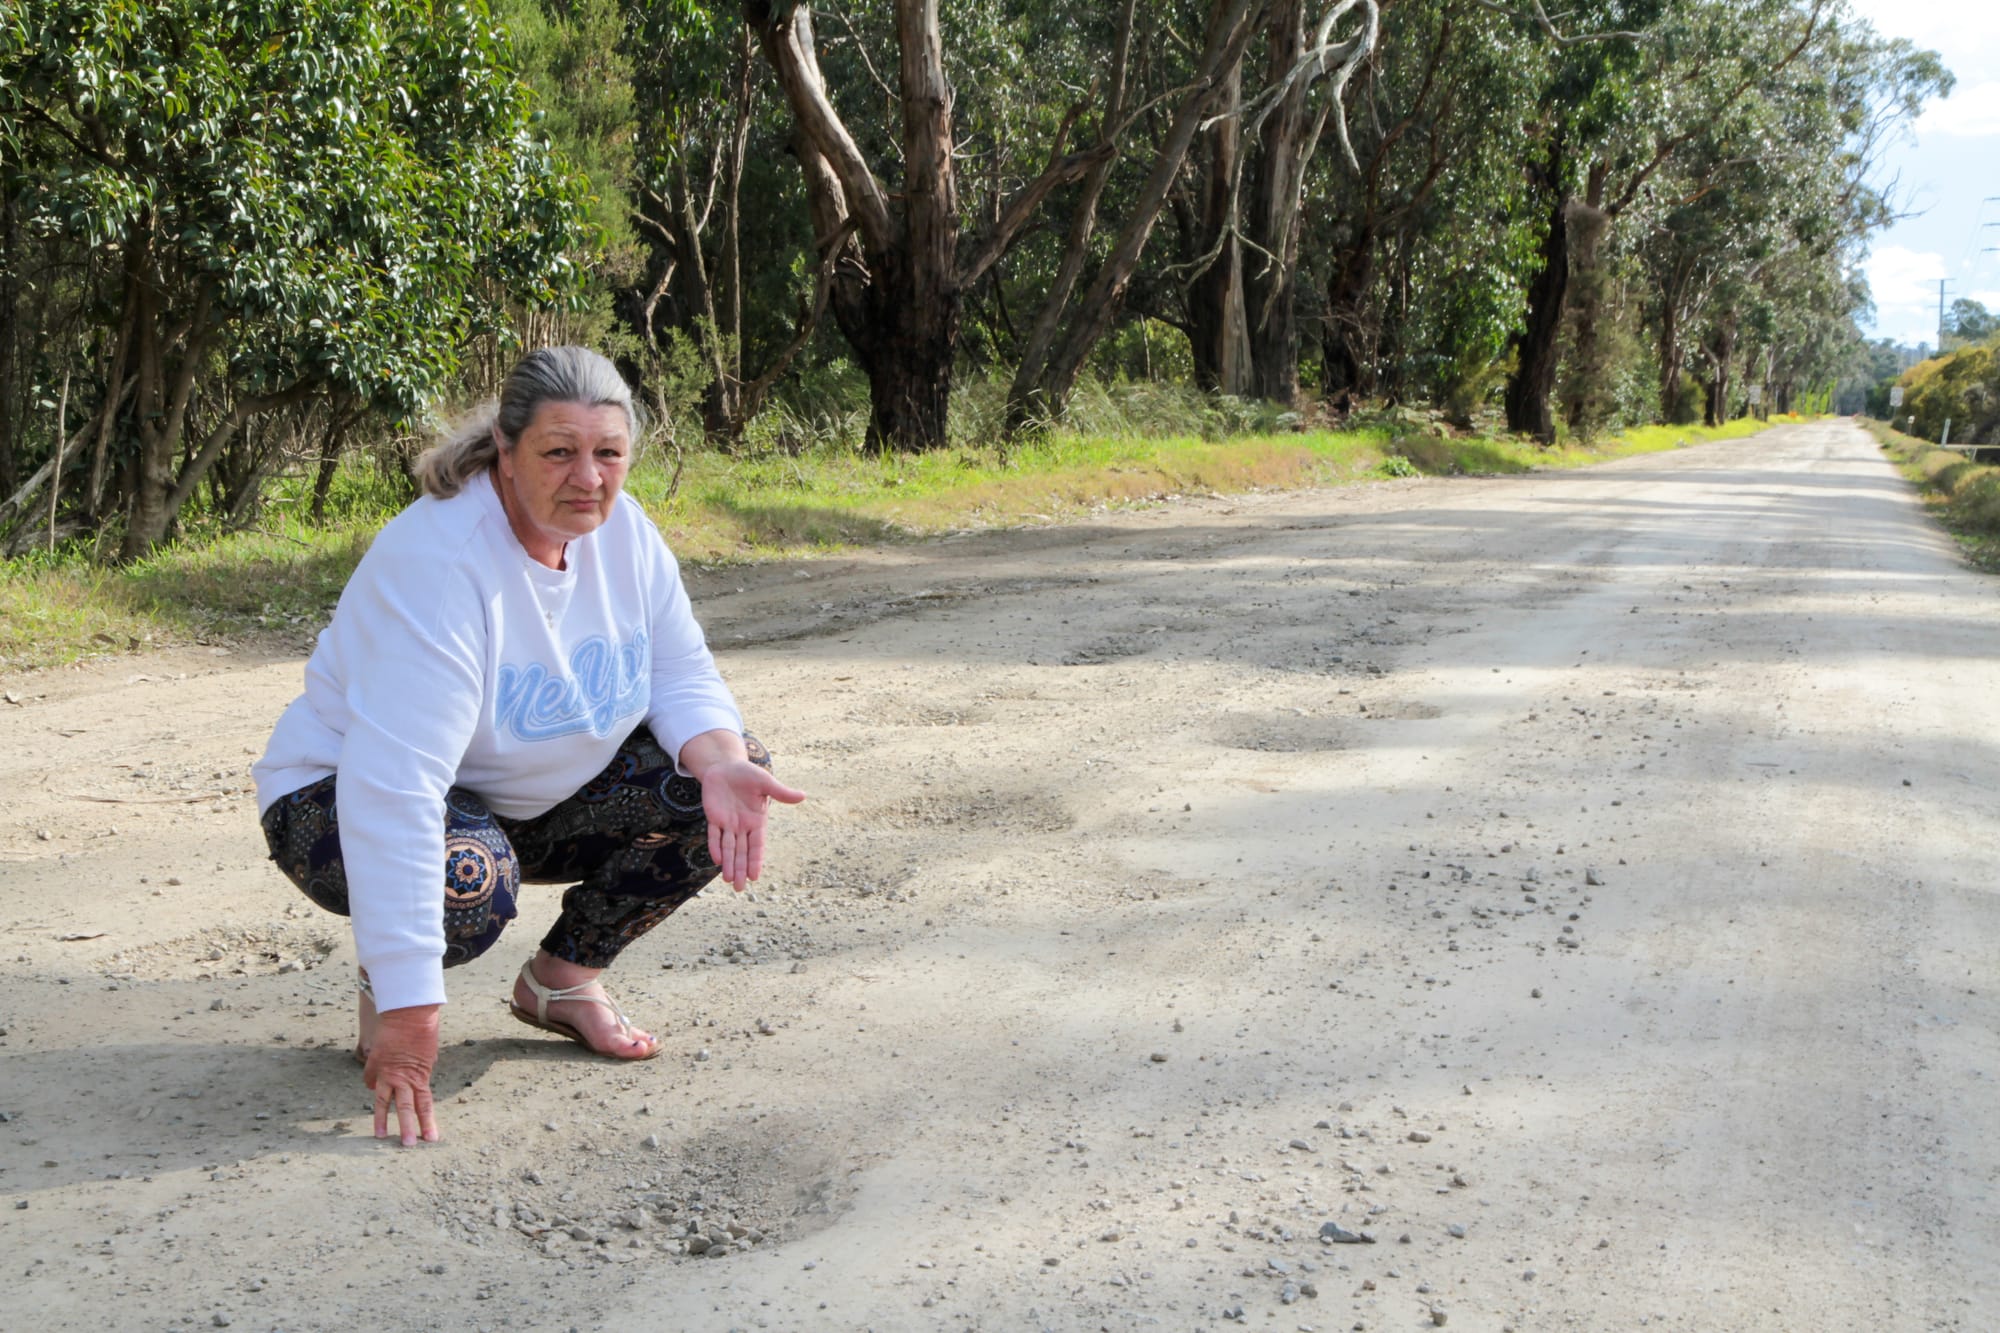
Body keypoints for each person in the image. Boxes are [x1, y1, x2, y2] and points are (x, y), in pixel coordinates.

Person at [253, 346, 804, 1146]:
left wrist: (720, 759)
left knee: (722, 775)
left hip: (519, 799)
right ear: (506, 456)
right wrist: (410, 1013)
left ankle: (562, 983)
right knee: (469, 883)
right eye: (559, 452)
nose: (589, 477)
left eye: (608, 453)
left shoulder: (628, 536)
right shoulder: (440, 564)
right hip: (339, 795)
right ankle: (385, 971)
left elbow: (680, 671)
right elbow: (396, 787)